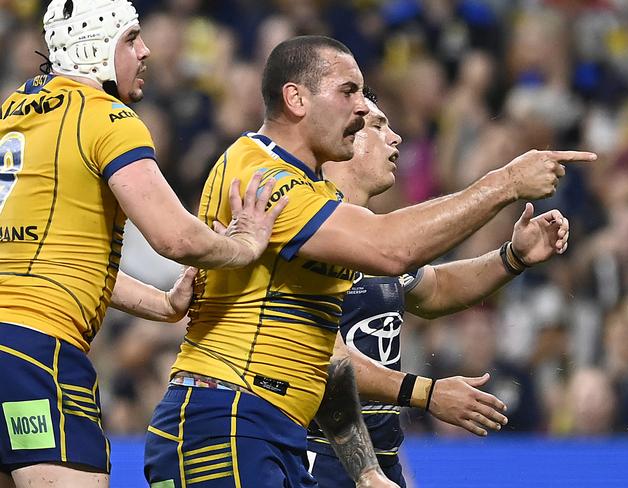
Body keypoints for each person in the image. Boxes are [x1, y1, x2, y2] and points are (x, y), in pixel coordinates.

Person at [144, 35, 595, 488]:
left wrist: (366, 470)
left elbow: (330, 359)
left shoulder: (320, 204)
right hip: (226, 416)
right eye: (349, 91)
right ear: (296, 98)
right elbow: (393, 249)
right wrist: (506, 181)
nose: (362, 109)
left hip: (272, 429)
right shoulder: (260, 172)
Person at [0, 1, 285, 487]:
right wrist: (246, 244)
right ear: (95, 48)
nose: (146, 50)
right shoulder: (107, 117)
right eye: (131, 39)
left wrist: (165, 303)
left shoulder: (12, 114)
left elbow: (61, 261)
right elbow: (174, 236)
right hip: (37, 352)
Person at [306, 87, 571, 487]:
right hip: (309, 455)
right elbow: (326, 358)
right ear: (343, 137)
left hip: (379, 459)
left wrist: (511, 257)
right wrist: (426, 393)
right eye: (378, 126)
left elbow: (436, 289)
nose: (395, 138)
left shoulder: (371, 239)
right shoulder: (309, 229)